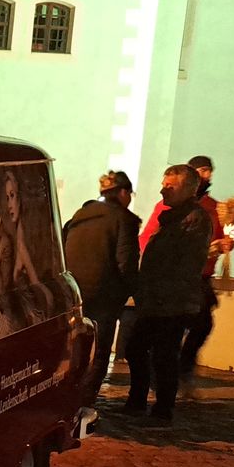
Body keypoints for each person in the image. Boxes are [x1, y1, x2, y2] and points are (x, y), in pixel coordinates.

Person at [123, 165, 213, 425]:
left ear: (189, 189)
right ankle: (140, 401)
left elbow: (185, 263)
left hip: (172, 302)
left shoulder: (194, 219)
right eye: (164, 185)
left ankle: (161, 408)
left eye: (170, 186)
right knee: (139, 348)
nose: (163, 190)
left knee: (162, 353)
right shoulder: (172, 217)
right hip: (156, 299)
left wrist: (158, 289)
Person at [62, 170, 140, 405]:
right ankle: (85, 401)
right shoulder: (124, 219)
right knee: (98, 352)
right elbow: (126, 262)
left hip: (73, 293)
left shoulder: (80, 215)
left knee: (75, 349)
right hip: (104, 297)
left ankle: (67, 397)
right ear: (123, 192)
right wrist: (134, 291)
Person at [176, 155, 234, 395]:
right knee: (178, 325)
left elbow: (217, 236)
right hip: (181, 275)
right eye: (202, 170)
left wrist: (224, 244)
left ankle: (183, 369)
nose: (207, 175)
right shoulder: (178, 203)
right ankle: (171, 373)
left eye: (209, 171)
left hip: (202, 276)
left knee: (201, 324)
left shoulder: (213, 206)